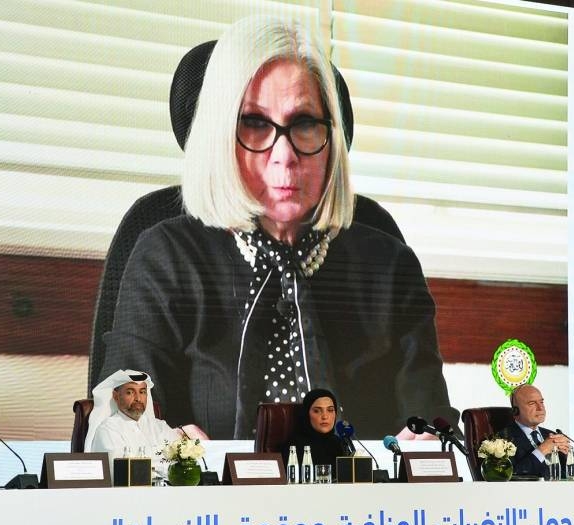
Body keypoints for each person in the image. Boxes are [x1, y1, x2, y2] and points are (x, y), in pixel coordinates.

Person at [99, 16, 454, 440]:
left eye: (304, 123)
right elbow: (116, 423)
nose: (284, 155)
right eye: (254, 123)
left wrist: (429, 441)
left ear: (332, 138)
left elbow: (431, 420)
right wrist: (155, 442)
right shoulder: (166, 257)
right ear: (219, 135)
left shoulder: (391, 265)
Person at [86, 369, 182, 465]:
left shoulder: (160, 427)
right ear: (116, 396)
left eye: (142, 392)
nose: (138, 399)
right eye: (130, 392)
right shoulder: (107, 430)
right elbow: (123, 468)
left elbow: (183, 460)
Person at [496, 384, 569, 478]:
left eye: (541, 402)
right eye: (532, 403)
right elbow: (508, 476)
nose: (540, 408)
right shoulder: (502, 440)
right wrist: (542, 450)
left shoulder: (553, 436)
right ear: (515, 411)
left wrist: (568, 456)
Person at [280, 388, 350, 470]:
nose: (325, 416)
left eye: (330, 410)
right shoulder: (293, 448)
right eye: (317, 411)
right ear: (306, 414)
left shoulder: (340, 444)